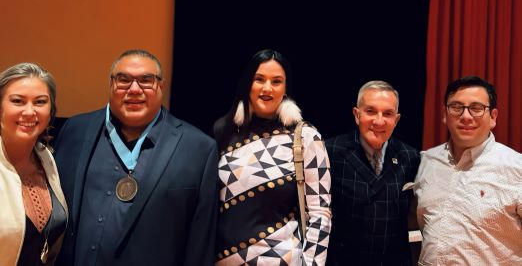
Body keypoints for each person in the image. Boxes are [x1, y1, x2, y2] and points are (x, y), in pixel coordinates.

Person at [53, 49, 219, 265]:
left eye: (146, 80)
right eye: (123, 80)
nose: (134, 89)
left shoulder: (199, 149)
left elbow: (200, 244)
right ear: (111, 84)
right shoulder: (75, 130)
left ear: (161, 85)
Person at [213, 49, 332, 265]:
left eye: (276, 81)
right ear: (247, 83)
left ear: (286, 89)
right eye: (259, 79)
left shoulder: (306, 136)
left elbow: (320, 213)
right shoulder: (223, 131)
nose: (267, 88)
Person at [414, 76, 522, 264]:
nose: (465, 116)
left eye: (476, 108)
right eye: (456, 107)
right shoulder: (425, 162)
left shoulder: (516, 168)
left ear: (493, 117)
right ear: (445, 114)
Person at [325, 80, 420, 266]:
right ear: (357, 114)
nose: (379, 120)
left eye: (388, 113)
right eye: (370, 111)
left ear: (397, 120)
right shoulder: (329, 152)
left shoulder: (411, 158)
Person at [0, 63, 68, 265]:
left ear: (51, 110)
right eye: (18, 101)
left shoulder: (46, 157)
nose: (29, 112)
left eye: (40, 102)